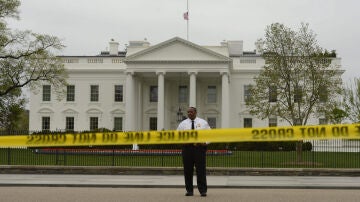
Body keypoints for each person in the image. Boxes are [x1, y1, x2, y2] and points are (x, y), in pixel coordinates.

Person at [177, 107, 211, 197]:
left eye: (191, 112)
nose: (189, 113)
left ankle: (203, 191)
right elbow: (177, 136)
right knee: (187, 171)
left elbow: (210, 134)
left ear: (195, 112)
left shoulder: (203, 122)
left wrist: (205, 142)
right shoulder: (183, 124)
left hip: (199, 149)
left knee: (201, 170)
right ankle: (189, 191)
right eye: (188, 112)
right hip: (187, 149)